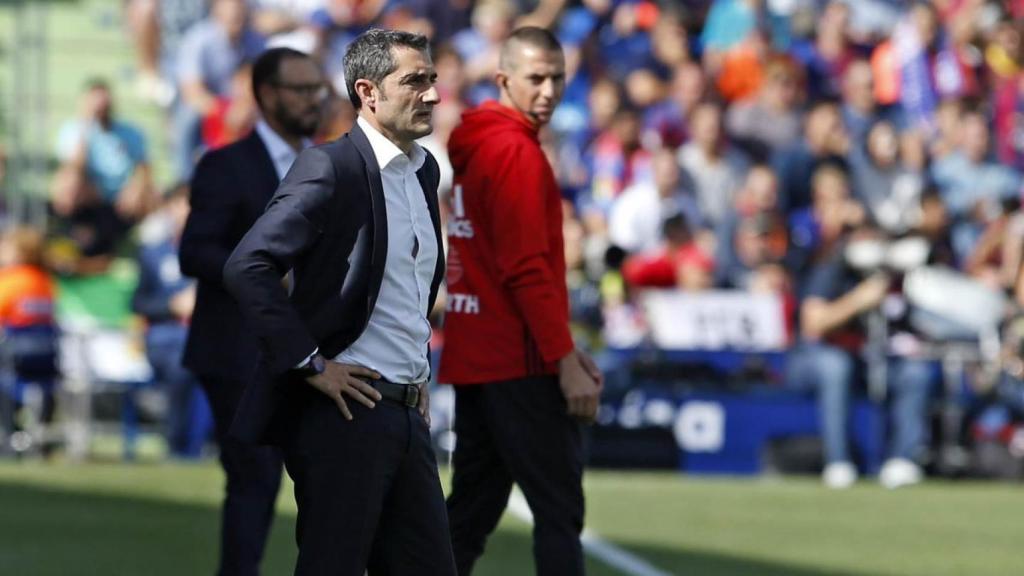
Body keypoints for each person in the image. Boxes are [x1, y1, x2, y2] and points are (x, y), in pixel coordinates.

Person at [222, 30, 455, 576]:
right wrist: (310, 364)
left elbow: (402, 288)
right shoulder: (331, 166)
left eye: (433, 79)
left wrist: (412, 373)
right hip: (345, 412)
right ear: (368, 91)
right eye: (414, 81)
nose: (433, 95)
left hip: (406, 413)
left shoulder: (425, 170)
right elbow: (248, 266)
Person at [440, 27, 603, 576]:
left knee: (467, 516)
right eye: (536, 78)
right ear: (504, 79)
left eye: (558, 77)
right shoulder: (516, 154)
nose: (549, 90)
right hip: (521, 361)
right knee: (559, 512)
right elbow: (526, 270)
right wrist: (564, 361)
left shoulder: (479, 146)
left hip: (477, 356)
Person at [179, 47, 325, 576]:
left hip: (311, 347)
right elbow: (194, 251)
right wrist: (263, 271)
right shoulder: (225, 165)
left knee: (330, 478)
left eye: (318, 88)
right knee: (255, 476)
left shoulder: (329, 164)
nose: (316, 99)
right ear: (267, 95)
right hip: (236, 350)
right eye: (302, 89)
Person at [132, 184, 207, 459]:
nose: (186, 211)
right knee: (183, 362)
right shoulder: (153, 254)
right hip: (167, 337)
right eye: (180, 204)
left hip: (209, 333)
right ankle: (180, 447)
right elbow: (138, 302)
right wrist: (173, 306)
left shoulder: (217, 252)